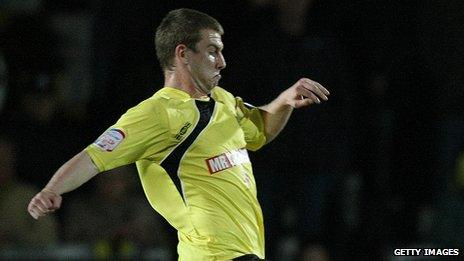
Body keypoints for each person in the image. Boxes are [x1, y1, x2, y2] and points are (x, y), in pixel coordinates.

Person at [27, 8, 329, 260]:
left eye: (221, 51)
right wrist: (52, 190)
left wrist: (285, 101)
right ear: (183, 53)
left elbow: (260, 131)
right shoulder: (158, 113)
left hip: (245, 252)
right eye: (213, 52)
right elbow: (95, 156)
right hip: (211, 254)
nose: (222, 61)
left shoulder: (222, 100)